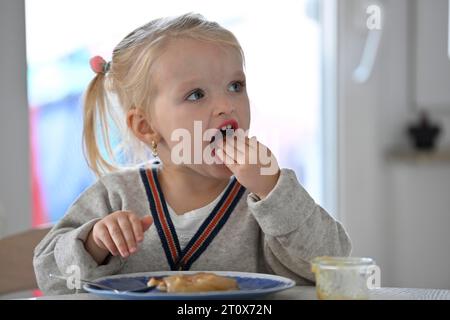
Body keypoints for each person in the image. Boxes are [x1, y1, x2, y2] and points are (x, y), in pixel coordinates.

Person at [33, 12, 351, 295]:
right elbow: (52, 278)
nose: (227, 105)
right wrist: (94, 244)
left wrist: (273, 189)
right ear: (146, 127)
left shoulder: (266, 196)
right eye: (196, 94)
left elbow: (334, 266)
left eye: (236, 86)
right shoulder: (115, 196)